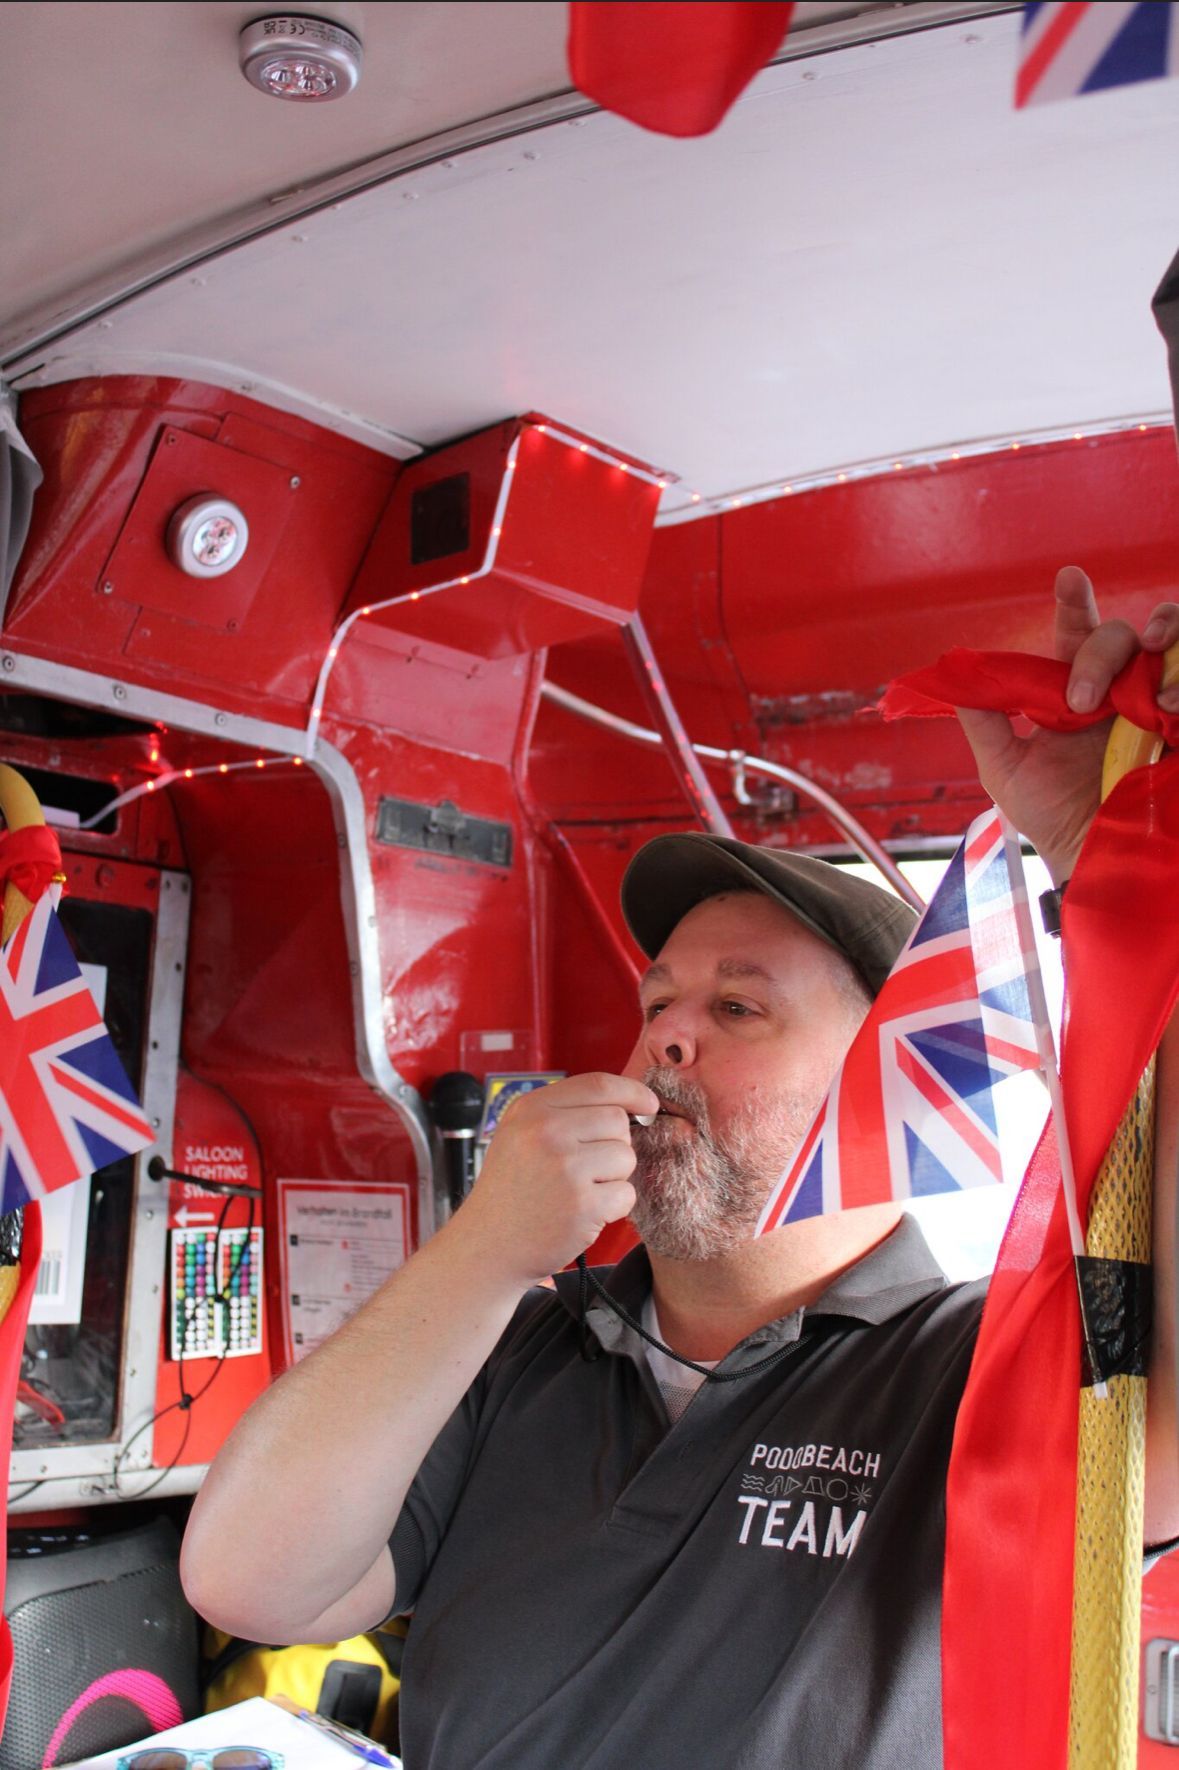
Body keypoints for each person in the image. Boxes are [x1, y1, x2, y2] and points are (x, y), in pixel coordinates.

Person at [180, 572, 1179, 1768]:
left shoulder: (982, 1370)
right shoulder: (514, 1347)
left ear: (892, 1074)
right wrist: (486, 1249)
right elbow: (251, 1584)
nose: (665, 1038)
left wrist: (1113, 859)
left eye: (738, 1008)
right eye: (657, 1002)